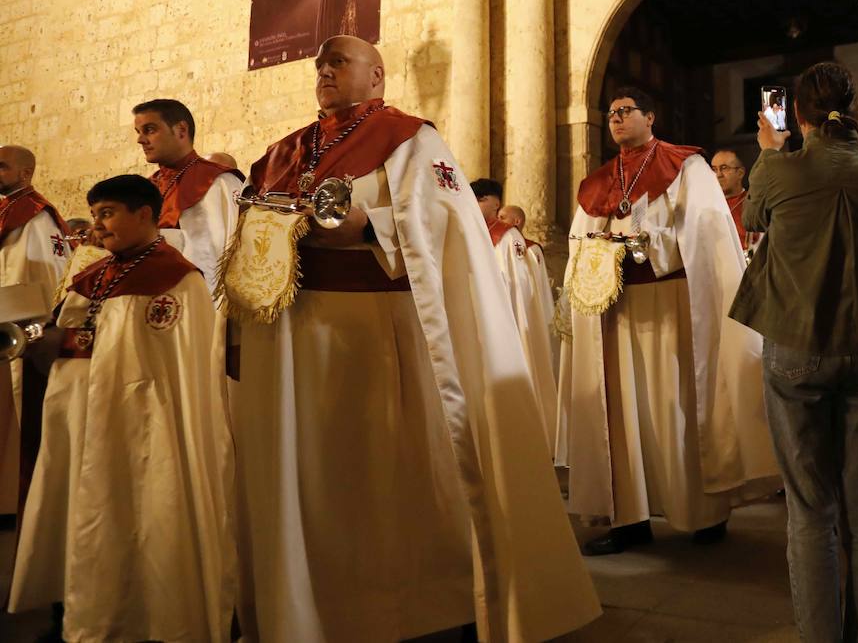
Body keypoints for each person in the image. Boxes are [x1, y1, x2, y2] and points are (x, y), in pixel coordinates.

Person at [226, 35, 598, 642]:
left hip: (374, 332)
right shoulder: (284, 150)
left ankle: (412, 607)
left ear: (376, 75)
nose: (324, 70)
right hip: (289, 337)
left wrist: (367, 226)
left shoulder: (408, 137)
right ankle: (306, 603)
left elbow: (443, 221)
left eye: (337, 62)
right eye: (319, 64)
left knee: (380, 477)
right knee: (303, 477)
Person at [730, 62, 858, 642]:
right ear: (855, 109)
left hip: (795, 348)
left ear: (801, 116)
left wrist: (770, 149)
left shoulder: (779, 171)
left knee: (811, 510)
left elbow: (749, 216)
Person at [11, 175, 233, 642]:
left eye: (107, 214)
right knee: (78, 510)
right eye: (94, 216)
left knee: (138, 514)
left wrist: (73, 343)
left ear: (145, 215)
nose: (98, 226)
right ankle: (75, 606)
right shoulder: (94, 275)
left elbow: (156, 361)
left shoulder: (175, 278)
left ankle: (137, 615)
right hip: (79, 420)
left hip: (139, 426)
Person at [561, 86, 777, 555]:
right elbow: (581, 243)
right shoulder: (597, 181)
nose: (616, 119)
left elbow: (705, 233)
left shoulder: (686, 166)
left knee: (679, 404)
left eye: (626, 111)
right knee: (621, 415)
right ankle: (629, 520)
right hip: (615, 311)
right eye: (611, 113)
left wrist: (648, 244)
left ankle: (703, 514)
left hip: (675, 305)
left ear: (651, 117)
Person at [0, 146, 68, 523]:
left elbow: (38, 279)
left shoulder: (34, 217)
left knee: (19, 416)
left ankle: (14, 502)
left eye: (2, 165)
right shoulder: (13, 211)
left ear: (26, 173)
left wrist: (33, 327)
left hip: (19, 330)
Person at [471, 179, 558, 451]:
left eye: (480, 199)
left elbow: (518, 285)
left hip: (502, 319)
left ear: (495, 203)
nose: (474, 204)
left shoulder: (508, 237)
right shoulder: (471, 232)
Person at [133, 99, 243, 293]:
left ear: (181, 130)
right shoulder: (144, 188)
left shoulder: (217, 181)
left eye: (149, 130)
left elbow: (220, 254)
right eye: (138, 132)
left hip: (197, 298)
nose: (140, 140)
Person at [499, 203, 560, 381]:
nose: (498, 221)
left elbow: (535, 286)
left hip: (528, 307)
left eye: (502, 217)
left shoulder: (532, 249)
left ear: (517, 221)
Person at [710, 148, 757, 252]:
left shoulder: (753, 205)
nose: (718, 175)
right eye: (714, 169)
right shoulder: (706, 205)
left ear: (740, 173)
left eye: (724, 168)